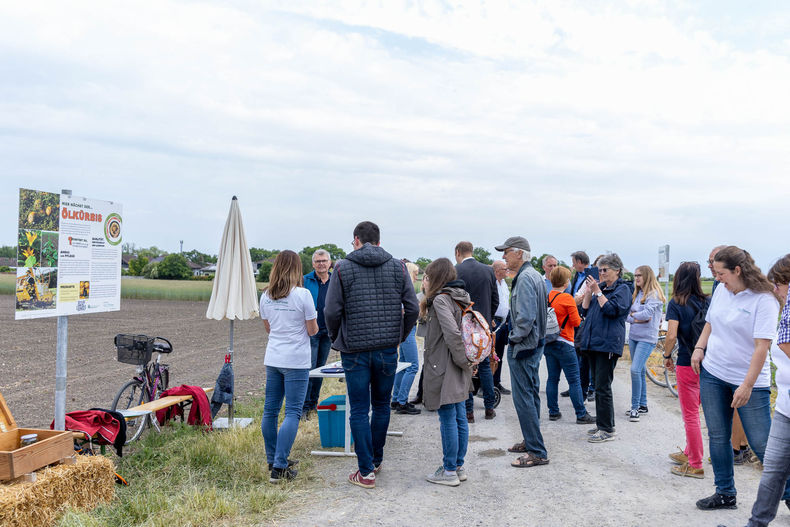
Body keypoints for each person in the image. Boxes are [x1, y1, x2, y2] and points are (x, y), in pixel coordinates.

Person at [323, 221, 419, 489]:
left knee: (358, 408)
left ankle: (365, 470)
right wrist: (400, 335)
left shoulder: (342, 267)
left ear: (356, 240)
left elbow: (331, 311)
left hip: (354, 349)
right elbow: (412, 308)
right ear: (378, 241)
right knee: (381, 405)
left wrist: (336, 337)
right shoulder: (398, 267)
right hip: (387, 347)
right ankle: (376, 459)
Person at [691, 246, 787, 510]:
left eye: (721, 273)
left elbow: (762, 346)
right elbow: (710, 322)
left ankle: (789, 494)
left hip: (749, 380)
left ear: (737, 270)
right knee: (718, 435)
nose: (716, 278)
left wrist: (746, 385)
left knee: (762, 443)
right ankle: (725, 493)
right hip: (713, 373)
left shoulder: (764, 299)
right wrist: (699, 348)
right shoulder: (721, 290)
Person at [259, 250, 318, 482]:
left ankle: (272, 459)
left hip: (273, 358)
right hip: (296, 360)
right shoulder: (303, 294)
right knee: (293, 411)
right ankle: (280, 466)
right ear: (296, 269)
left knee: (270, 410)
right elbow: (312, 331)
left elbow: (269, 328)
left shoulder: (266, 295)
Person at [495, 236, 549, 467]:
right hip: (533, 344)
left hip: (525, 346)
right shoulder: (533, 275)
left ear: (519, 253)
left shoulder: (526, 277)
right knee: (531, 395)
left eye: (506, 252)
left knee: (524, 397)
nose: (503, 256)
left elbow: (525, 319)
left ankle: (537, 451)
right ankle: (531, 441)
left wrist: (512, 338)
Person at [421, 258, 473, 487]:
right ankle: (458, 467)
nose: (425, 281)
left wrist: (463, 361)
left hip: (445, 364)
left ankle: (449, 470)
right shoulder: (459, 296)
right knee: (459, 415)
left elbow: (451, 333)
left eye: (427, 277)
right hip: (457, 364)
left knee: (448, 417)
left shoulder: (442, 299)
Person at [747, 254, 790, 525]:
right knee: (773, 469)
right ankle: (756, 523)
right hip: (785, 405)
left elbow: (784, 344)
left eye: (779, 284)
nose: (776, 290)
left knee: (774, 469)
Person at [576, 253, 631, 443]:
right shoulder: (603, 288)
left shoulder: (622, 289)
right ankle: (602, 424)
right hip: (594, 343)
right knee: (599, 386)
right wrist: (589, 292)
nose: (601, 273)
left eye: (605, 270)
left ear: (617, 270)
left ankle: (607, 429)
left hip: (607, 344)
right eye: (599, 270)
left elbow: (612, 310)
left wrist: (598, 292)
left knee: (603, 387)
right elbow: (584, 310)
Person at [664, 261, 708, 479]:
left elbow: (671, 335)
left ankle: (695, 464)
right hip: (708, 362)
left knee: (690, 416)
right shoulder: (707, 301)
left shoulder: (676, 303)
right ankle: (690, 452)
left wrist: (666, 356)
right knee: (696, 412)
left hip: (686, 362)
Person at [454, 241, 499, 422]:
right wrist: (487, 318)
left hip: (463, 325)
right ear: (471, 251)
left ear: (458, 252)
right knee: (485, 365)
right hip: (484, 324)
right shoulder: (488, 271)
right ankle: (489, 407)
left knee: (466, 366)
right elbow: (495, 299)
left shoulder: (456, 270)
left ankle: (469, 411)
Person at [543, 266, 594, 424]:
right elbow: (576, 322)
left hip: (549, 342)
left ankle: (553, 411)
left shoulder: (547, 296)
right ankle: (581, 414)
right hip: (565, 341)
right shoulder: (567, 299)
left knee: (552, 379)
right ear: (566, 282)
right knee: (574, 380)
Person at [626, 265, 666, 422]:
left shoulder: (654, 294)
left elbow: (647, 315)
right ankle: (643, 404)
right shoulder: (638, 293)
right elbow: (628, 315)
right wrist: (636, 317)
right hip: (634, 336)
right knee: (640, 370)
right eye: (635, 275)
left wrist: (634, 315)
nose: (636, 278)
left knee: (635, 370)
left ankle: (634, 407)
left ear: (647, 276)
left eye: (639, 275)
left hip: (647, 338)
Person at [302, 249, 332, 417]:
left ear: (329, 263)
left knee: (321, 369)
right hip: (311, 331)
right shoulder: (305, 280)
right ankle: (304, 406)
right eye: (318, 261)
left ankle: (314, 403)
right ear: (313, 264)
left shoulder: (335, 280)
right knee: (309, 368)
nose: (321, 264)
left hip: (328, 331)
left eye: (324, 261)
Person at [391, 262, 421, 415]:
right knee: (413, 365)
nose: (417, 277)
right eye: (415, 274)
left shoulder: (399, 289)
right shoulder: (405, 291)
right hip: (407, 329)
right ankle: (402, 402)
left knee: (402, 365)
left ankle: (396, 399)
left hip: (404, 330)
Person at [492, 260, 511, 394]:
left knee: (499, 354)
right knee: (491, 354)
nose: (507, 271)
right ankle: (486, 383)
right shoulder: (491, 283)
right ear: (497, 271)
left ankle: (496, 382)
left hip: (503, 322)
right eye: (505, 269)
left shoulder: (504, 284)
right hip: (494, 321)